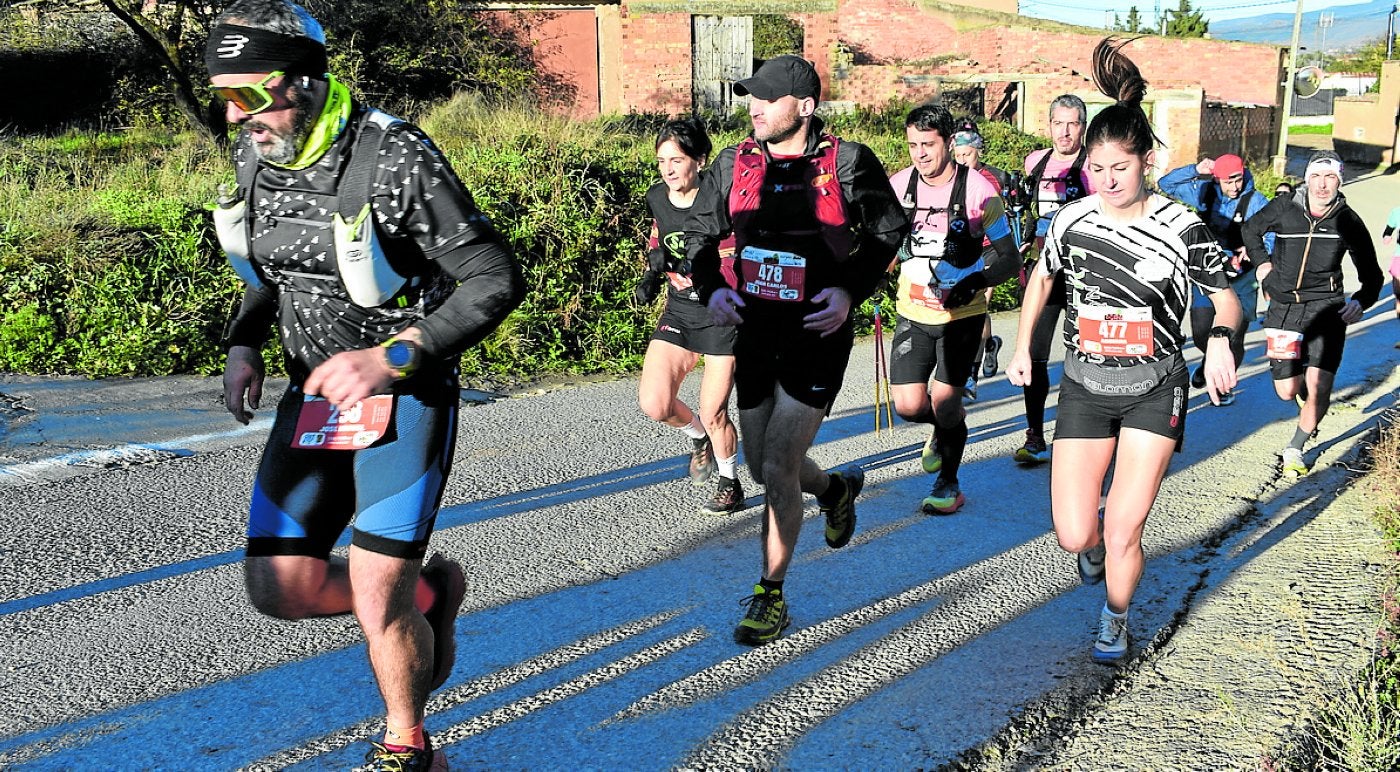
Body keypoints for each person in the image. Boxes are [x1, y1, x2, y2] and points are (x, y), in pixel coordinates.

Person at [208, 1, 524, 768]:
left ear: (304, 80)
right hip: (315, 397)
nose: (235, 113)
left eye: (248, 93)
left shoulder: (395, 157)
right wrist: (244, 342)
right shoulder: (259, 149)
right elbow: (272, 268)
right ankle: (431, 595)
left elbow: (494, 278)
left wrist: (391, 359)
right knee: (279, 588)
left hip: (404, 397)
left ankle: (407, 744)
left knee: (379, 594)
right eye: (224, 95)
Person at [1007, 37, 1242, 664]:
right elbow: (1042, 280)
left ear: (1147, 162)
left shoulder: (1181, 226)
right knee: (1074, 532)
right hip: (1086, 386)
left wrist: (1221, 341)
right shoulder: (1072, 220)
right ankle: (1090, 550)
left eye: (1121, 168)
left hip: (1155, 388)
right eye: (1097, 168)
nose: (1108, 181)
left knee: (1123, 528)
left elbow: (1228, 301)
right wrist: (1024, 346)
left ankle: (1116, 616)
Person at [685, 55, 908, 645]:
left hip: (817, 333)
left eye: (767, 98)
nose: (754, 108)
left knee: (780, 464)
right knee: (762, 466)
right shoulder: (735, 162)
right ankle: (836, 491)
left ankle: (771, 594)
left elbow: (888, 230)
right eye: (751, 98)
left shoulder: (848, 163)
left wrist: (849, 289)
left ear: (805, 107)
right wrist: (712, 288)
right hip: (756, 330)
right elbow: (700, 237)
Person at [888, 104, 1019, 513]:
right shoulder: (899, 186)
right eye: (913, 145)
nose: (920, 154)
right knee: (909, 405)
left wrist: (975, 282)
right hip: (913, 311)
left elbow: (1010, 258)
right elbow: (883, 241)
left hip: (962, 316)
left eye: (928, 144)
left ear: (948, 142)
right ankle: (943, 429)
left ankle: (949, 483)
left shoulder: (979, 192)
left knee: (945, 401)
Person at [1241, 150, 1384, 476]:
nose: (1322, 185)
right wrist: (1262, 264)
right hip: (1284, 308)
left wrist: (1361, 301)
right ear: (1307, 179)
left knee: (1320, 385)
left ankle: (1296, 448)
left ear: (1339, 181)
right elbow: (1250, 230)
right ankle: (1302, 389)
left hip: (1327, 308)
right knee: (1287, 390)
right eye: (1316, 176)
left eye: (1330, 177)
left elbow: (1372, 274)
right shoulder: (1284, 206)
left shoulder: (1347, 221)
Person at [634, 118, 744, 515]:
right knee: (655, 403)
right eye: (661, 161)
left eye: (676, 160)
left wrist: (702, 271)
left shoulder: (722, 199)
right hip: (679, 311)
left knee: (715, 412)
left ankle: (730, 482)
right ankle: (698, 438)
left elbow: (736, 255)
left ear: (699, 160)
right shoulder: (657, 197)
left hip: (720, 314)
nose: (668, 169)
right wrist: (652, 274)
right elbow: (658, 238)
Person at [1014, 94, 1097, 464]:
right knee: (1034, 354)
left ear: (1083, 127)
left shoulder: (1094, 164)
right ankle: (1035, 435)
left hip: (1083, 272)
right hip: (1043, 270)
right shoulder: (1035, 161)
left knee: (1088, 354)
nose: (1064, 132)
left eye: (1072, 124)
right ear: (1048, 125)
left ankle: (1086, 433)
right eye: (1058, 123)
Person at [1157, 153, 1270, 406]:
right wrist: (1195, 169)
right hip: (1207, 270)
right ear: (1217, 179)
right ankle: (1210, 359)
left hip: (1242, 276)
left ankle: (1223, 385)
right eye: (1228, 182)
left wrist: (1256, 251)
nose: (1235, 186)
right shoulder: (1203, 192)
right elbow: (1166, 184)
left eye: (1238, 179)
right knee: (1200, 332)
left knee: (1233, 337)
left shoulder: (1256, 201)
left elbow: (1273, 231)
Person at [951, 121, 1012, 399]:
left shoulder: (995, 177)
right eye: (958, 155)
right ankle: (989, 344)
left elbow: (1013, 212)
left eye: (967, 154)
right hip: (963, 250)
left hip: (990, 249)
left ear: (978, 151)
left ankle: (970, 376)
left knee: (978, 305)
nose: (962, 160)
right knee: (969, 310)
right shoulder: (950, 177)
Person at [1383, 203, 1400, 346]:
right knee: (1398, 293)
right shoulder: (1397, 212)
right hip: (1399, 257)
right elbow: (1388, 229)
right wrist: (1387, 236)